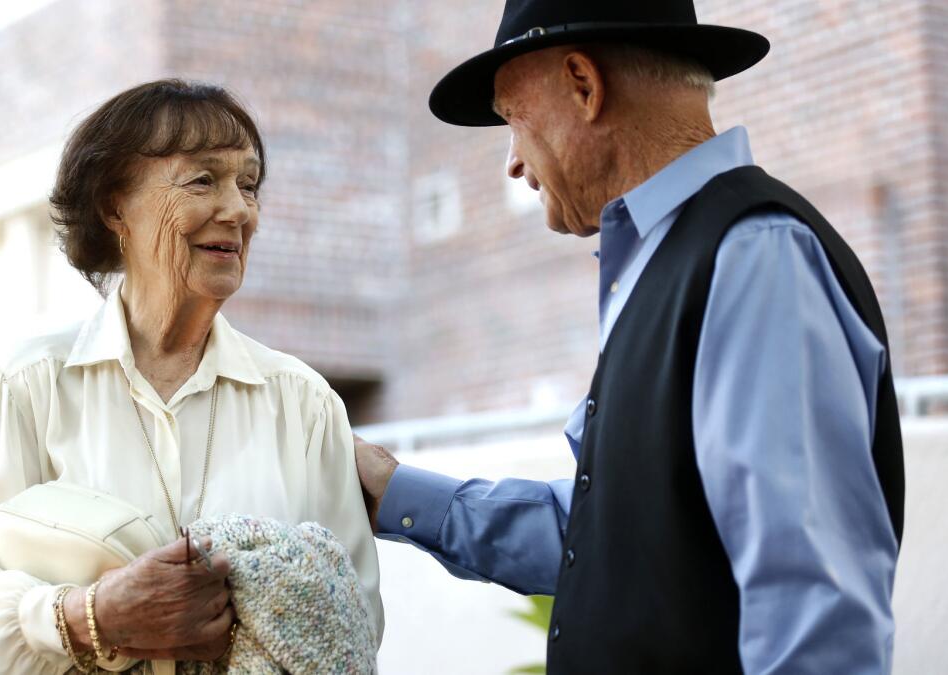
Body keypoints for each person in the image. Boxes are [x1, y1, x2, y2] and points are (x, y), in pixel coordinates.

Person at [354, 0, 904, 673]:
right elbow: (615, 537)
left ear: (583, 85)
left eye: (512, 121)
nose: (513, 163)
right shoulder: (678, 262)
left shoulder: (755, 257)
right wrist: (396, 491)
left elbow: (816, 617)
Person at [0, 79, 382, 674]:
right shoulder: (23, 387)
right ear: (115, 207)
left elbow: (353, 627)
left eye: (248, 184)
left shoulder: (305, 403)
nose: (238, 209)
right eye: (203, 180)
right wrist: (93, 616)